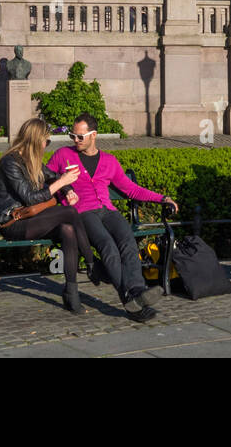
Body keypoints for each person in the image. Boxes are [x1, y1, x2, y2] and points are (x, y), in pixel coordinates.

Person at [46, 113, 178, 321]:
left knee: (127, 242)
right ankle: (129, 299)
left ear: (93, 135)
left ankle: (136, 291)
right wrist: (65, 189)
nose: (75, 140)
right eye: (73, 136)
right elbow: (45, 177)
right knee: (108, 246)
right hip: (82, 212)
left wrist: (161, 198)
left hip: (108, 211)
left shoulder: (109, 161)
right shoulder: (63, 155)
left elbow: (131, 189)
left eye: (80, 136)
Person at [0, 118, 92, 313]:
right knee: (70, 212)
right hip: (13, 222)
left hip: (32, 220)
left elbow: (53, 177)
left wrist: (68, 190)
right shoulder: (10, 162)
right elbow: (30, 198)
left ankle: (71, 291)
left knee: (67, 229)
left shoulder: (32, 161)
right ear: (35, 140)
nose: (47, 145)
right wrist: (61, 183)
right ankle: (92, 264)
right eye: (46, 141)